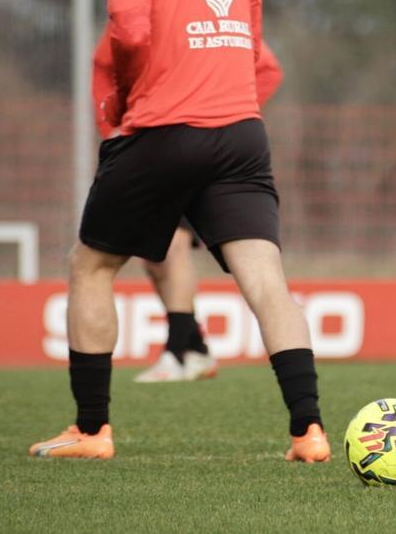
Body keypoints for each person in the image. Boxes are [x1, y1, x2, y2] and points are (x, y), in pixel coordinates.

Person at [30, 0, 329, 462]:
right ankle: (309, 431)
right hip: (242, 133)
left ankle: (91, 431)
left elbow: (130, 29)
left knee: (90, 266)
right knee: (267, 281)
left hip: (164, 132)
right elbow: (251, 44)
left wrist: (125, 102)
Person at [91, 26, 284, 383]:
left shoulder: (197, 18)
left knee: (173, 246)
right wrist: (111, 131)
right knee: (152, 259)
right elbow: (102, 65)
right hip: (146, 149)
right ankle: (195, 348)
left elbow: (268, 67)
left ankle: (178, 352)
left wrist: (228, 111)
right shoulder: (128, 20)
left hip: (194, 146)